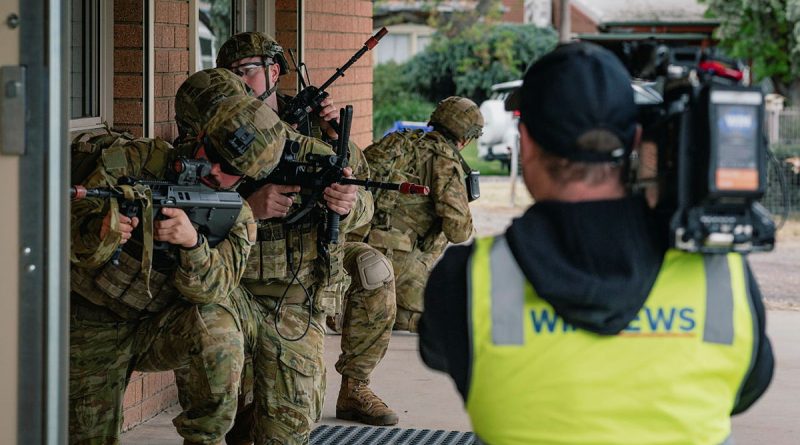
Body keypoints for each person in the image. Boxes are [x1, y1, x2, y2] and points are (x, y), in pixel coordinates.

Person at [418, 42, 775, 445]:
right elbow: (747, 389)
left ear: (526, 142)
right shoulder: (722, 275)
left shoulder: (466, 281)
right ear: (636, 140)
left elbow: (438, 352)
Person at [69, 94, 286, 445]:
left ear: (246, 177)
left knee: (218, 332)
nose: (214, 171)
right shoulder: (132, 160)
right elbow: (65, 233)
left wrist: (192, 244)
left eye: (229, 170)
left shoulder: (237, 216)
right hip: (92, 320)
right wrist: (102, 233)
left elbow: (214, 290)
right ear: (200, 138)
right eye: (212, 155)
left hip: (160, 324)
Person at [215, 32, 400, 439]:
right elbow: (195, 209)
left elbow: (363, 203)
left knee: (373, 268)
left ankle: (355, 386)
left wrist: (336, 144)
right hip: (243, 273)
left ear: (274, 71)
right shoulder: (217, 126)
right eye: (229, 74)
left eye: (247, 71)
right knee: (239, 418)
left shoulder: (315, 125)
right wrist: (249, 207)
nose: (240, 82)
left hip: (305, 263)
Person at [349, 96, 483, 332]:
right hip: (400, 262)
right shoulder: (443, 159)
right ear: (465, 137)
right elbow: (458, 231)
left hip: (358, 246)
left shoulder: (396, 141)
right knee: (435, 322)